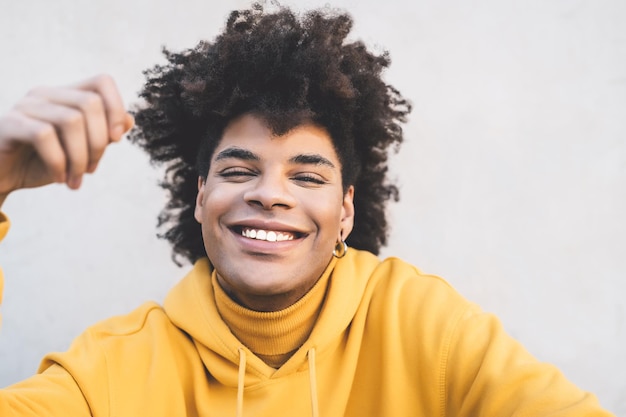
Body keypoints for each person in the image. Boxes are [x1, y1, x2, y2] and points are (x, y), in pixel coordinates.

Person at [0, 4, 615, 416]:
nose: (270, 193)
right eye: (239, 170)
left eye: (307, 174)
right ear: (199, 197)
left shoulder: (423, 326)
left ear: (346, 210)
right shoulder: (111, 370)